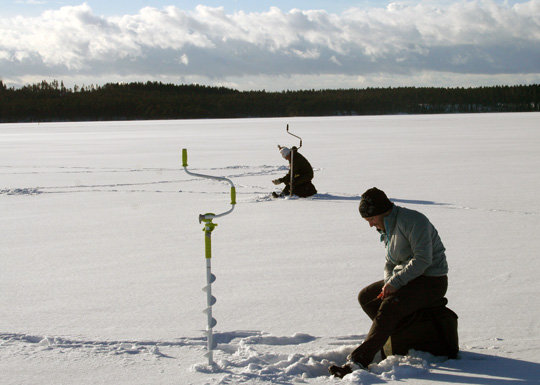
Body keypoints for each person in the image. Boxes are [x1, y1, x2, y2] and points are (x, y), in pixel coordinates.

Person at [329, 187, 449, 378]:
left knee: (389, 306)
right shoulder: (387, 226)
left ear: (381, 212)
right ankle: (398, 338)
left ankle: (358, 360)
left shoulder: (413, 221)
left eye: (370, 220)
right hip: (409, 278)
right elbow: (390, 261)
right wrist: (388, 283)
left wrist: (396, 283)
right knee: (367, 297)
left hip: (431, 280)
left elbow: (423, 260)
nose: (370, 225)